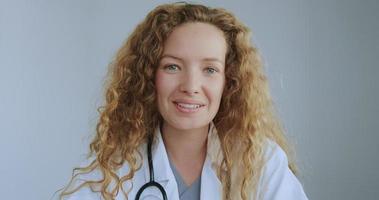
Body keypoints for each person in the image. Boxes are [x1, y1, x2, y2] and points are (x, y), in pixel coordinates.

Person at [57, 2, 308, 200]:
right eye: (173, 66)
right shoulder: (112, 171)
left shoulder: (261, 163)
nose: (190, 87)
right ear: (148, 76)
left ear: (229, 82)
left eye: (209, 70)